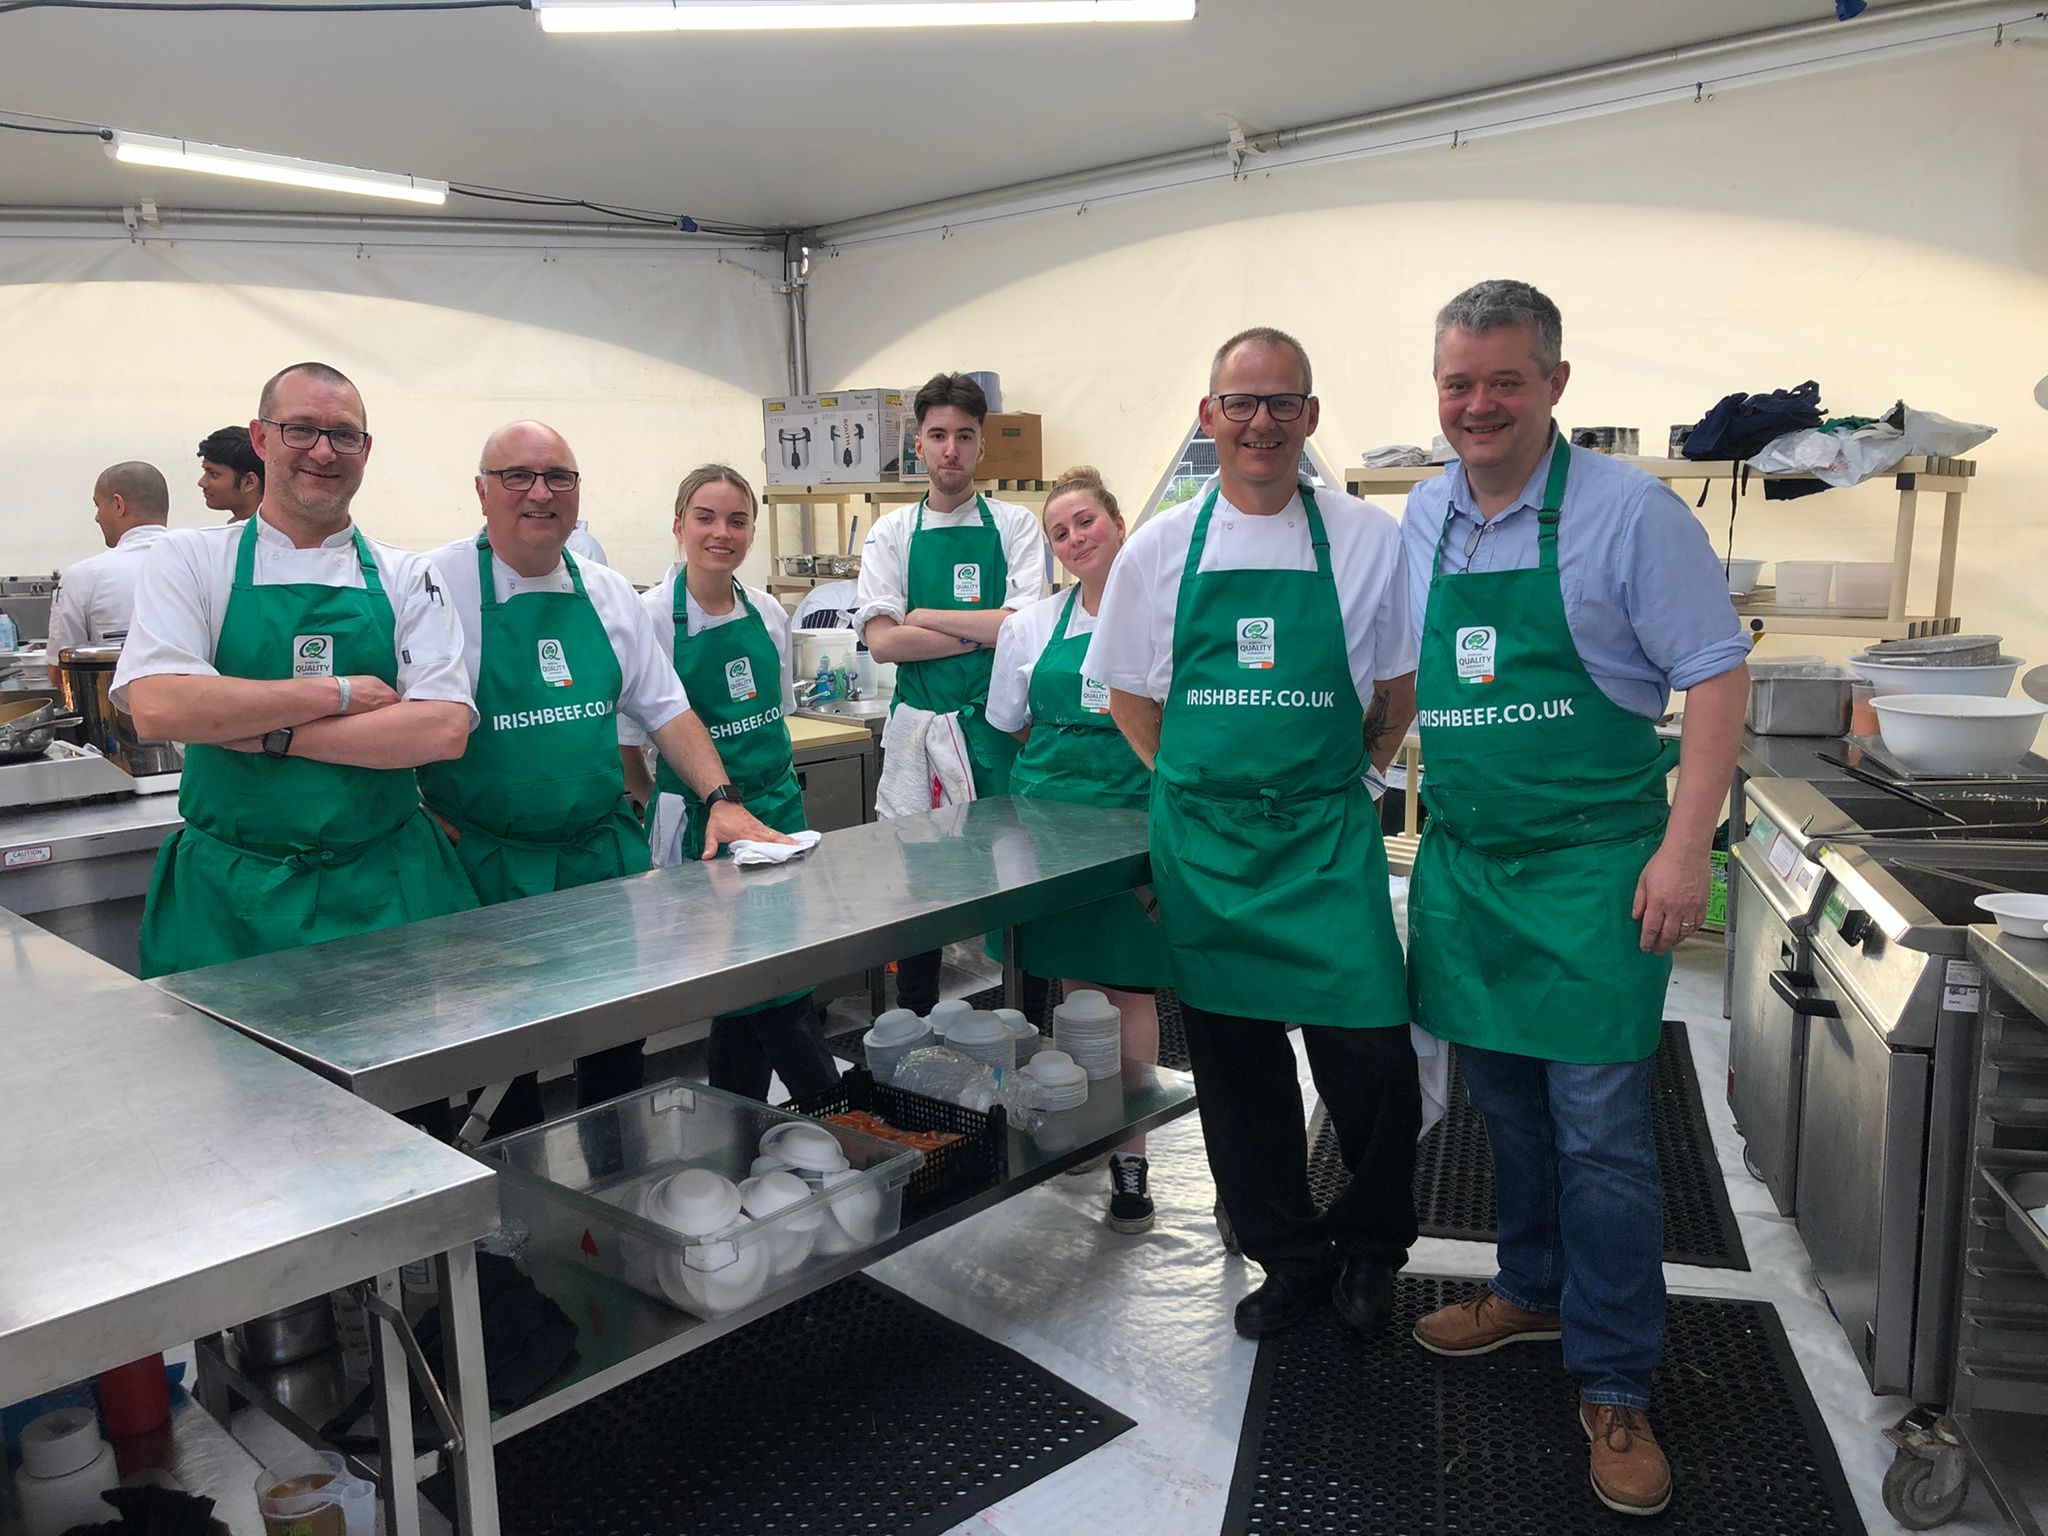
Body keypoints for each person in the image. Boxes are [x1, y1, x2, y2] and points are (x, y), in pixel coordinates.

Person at [1401, 280, 1749, 1520]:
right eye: (1456, 383)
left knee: (1601, 1132)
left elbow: (1712, 677)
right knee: (1508, 1110)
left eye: (1502, 379)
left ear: (1553, 382)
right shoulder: (1423, 512)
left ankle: (1613, 1378)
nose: (1476, 404)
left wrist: (1682, 848)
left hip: (1597, 865)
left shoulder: (1629, 514)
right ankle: (1531, 1290)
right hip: (1468, 869)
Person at [1088, 326, 1422, 1340]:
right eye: (1240, 404)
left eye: (1281, 403)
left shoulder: (1367, 541)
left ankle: (1370, 1249)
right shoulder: (1157, 550)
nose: (1260, 422)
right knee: (1238, 1072)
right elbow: (1129, 698)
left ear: (1309, 418)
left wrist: (1355, 778)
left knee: (1370, 1062)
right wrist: (1191, 789)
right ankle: (1289, 1260)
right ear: (1209, 417)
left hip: (1323, 843)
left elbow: (1397, 690)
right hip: (1209, 853)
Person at [420, 425, 792, 1131]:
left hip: (598, 857)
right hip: (487, 863)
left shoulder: (608, 593)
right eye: (518, 476)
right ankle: (517, 1219)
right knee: (503, 1058)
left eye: (558, 477)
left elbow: (668, 710)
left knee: (617, 1040)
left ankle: (613, 1198)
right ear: (482, 490)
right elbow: (401, 711)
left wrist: (721, 798)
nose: (540, 493)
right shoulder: (437, 586)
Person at [115, 362, 478, 979]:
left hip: (386, 886)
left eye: (343, 435)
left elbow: (440, 730)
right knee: (230, 1073)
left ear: (366, 451)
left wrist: (266, 736)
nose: (323, 451)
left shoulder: (409, 575)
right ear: (261, 439)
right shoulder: (190, 560)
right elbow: (160, 707)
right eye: (300, 430)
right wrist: (335, 693)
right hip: (229, 894)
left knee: (402, 1069)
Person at [987, 466, 1172, 1233]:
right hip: (1051, 833)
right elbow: (1013, 722)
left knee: (1128, 992)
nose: (1073, 540)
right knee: (1074, 991)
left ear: (1119, 523)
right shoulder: (1032, 626)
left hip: (1133, 828)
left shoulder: (1164, 615)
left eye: (1085, 521)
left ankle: (1130, 1155)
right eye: (1058, 532)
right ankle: (1090, 1128)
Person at [621, 464, 842, 1104]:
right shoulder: (652, 617)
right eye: (706, 518)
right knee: (767, 988)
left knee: (758, 979)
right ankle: (845, 1122)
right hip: (702, 830)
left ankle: (737, 1126)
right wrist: (662, 809)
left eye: (738, 520)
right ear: (678, 526)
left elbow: (773, 715)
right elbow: (629, 747)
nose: (723, 533)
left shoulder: (768, 611)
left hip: (775, 811)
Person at [854, 372, 1047, 1015]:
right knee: (921, 895)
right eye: (938, 435)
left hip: (997, 730)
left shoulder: (1017, 525)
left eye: (965, 436)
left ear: (982, 447)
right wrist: (983, 634)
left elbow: (1025, 628)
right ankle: (911, 1026)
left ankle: (1023, 1020)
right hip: (922, 734)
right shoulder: (891, 533)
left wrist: (925, 617)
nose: (950, 451)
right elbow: (882, 643)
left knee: (1017, 885)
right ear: (919, 443)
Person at [45, 461, 174, 685]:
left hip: (116, 714)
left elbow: (60, 673)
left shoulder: (83, 576)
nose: (97, 517)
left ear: (118, 505)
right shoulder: (201, 561)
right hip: (201, 711)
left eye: (97, 505)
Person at [196, 425, 264, 522]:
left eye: (213, 474)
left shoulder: (283, 533)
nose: (202, 483)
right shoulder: (235, 529)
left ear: (249, 482)